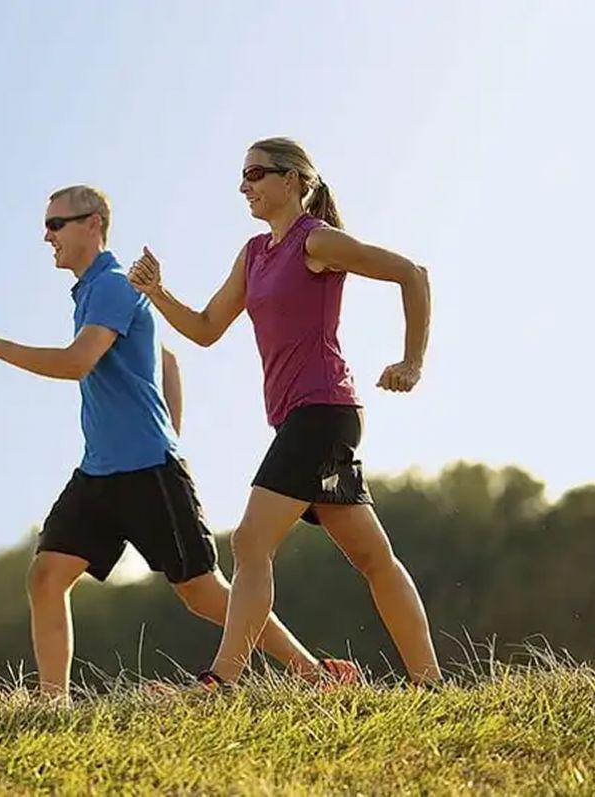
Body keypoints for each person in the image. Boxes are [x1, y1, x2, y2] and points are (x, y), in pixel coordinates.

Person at [0, 184, 357, 700]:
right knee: (47, 575)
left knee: (203, 592)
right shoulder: (93, 292)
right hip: (99, 472)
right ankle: (52, 703)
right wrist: (173, 429)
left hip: (148, 471)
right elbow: (166, 359)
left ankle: (313, 674)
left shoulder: (113, 286)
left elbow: (77, 362)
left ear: (93, 224)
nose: (47, 236)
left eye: (56, 224)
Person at [128, 138, 442, 687]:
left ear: (292, 179)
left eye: (255, 174)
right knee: (373, 557)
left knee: (250, 541)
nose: (243, 186)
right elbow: (206, 328)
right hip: (307, 418)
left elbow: (412, 274)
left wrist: (411, 362)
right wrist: (157, 292)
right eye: (242, 176)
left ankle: (222, 682)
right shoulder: (254, 254)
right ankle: (429, 681)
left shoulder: (316, 241)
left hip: (322, 411)